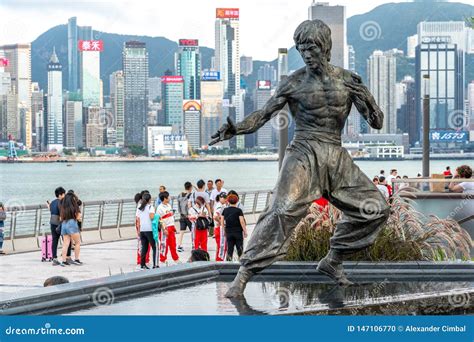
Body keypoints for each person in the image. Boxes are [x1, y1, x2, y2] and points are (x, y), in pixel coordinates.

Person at [210, 19, 390, 297]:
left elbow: (376, 122)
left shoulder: (349, 81)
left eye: (312, 48)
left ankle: (332, 261)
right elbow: (264, 114)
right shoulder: (292, 83)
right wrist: (237, 129)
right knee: (281, 210)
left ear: (325, 48)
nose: (307, 54)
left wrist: (367, 96)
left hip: (335, 155)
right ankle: (243, 275)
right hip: (303, 152)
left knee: (377, 209)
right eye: (302, 49)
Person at [47, 187, 72, 266]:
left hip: (52, 223)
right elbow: (62, 214)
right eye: (64, 194)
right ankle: (67, 257)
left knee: (55, 241)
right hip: (60, 224)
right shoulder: (61, 202)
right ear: (61, 195)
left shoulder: (53, 202)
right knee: (67, 240)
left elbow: (51, 210)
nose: (64, 196)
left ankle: (54, 258)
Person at [221, 193, 248, 261]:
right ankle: (240, 263)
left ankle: (228, 263)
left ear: (228, 201)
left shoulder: (225, 210)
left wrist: (224, 230)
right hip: (238, 232)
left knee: (229, 249)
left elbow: (222, 222)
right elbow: (242, 222)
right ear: (237, 201)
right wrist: (245, 231)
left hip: (229, 232)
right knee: (239, 249)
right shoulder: (239, 211)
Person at [59, 192, 82, 266]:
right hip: (72, 224)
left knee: (65, 244)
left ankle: (64, 261)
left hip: (64, 224)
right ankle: (77, 259)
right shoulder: (74, 206)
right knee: (77, 242)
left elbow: (60, 218)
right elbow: (78, 217)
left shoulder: (63, 207)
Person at [136, 192, 158, 269]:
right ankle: (155, 264)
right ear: (149, 199)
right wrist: (157, 216)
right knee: (154, 247)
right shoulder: (150, 207)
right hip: (149, 230)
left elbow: (138, 219)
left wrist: (138, 230)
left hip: (142, 230)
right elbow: (152, 217)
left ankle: (142, 264)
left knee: (144, 247)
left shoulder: (139, 207)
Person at [157, 191, 180, 264]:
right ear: (164, 198)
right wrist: (164, 229)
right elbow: (160, 220)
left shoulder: (169, 205)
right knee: (164, 245)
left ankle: (175, 259)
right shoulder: (159, 208)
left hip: (171, 227)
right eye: (168, 197)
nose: (169, 198)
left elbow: (171, 217)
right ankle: (162, 259)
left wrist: (174, 226)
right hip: (165, 228)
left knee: (173, 244)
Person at [177, 182, 193, 252]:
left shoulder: (179, 195)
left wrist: (180, 213)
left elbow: (178, 206)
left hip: (182, 216)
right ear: (190, 187)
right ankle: (194, 245)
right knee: (192, 231)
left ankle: (179, 245)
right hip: (189, 216)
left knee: (181, 232)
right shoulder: (190, 195)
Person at [213, 193, 228, 261]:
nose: (225, 199)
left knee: (220, 246)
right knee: (222, 246)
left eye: (226, 198)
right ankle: (219, 261)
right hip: (219, 228)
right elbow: (215, 217)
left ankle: (218, 260)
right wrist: (221, 223)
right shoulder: (219, 206)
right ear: (220, 198)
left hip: (218, 228)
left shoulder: (222, 205)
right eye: (224, 198)